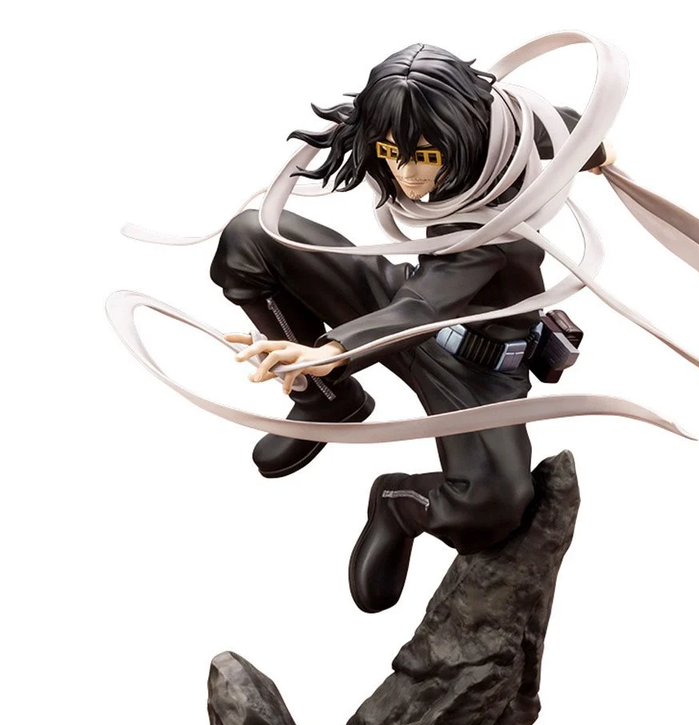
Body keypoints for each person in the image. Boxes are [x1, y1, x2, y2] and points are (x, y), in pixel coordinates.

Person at [209, 42, 612, 614]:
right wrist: (595, 150)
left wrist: (332, 349)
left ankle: (397, 504)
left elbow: (424, 308)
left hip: (475, 367)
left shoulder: (498, 221)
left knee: (491, 507)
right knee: (248, 239)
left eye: (424, 155)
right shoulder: (467, 130)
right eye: (390, 153)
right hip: (398, 303)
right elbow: (569, 128)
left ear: (467, 134)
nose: (406, 173)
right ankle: (327, 400)